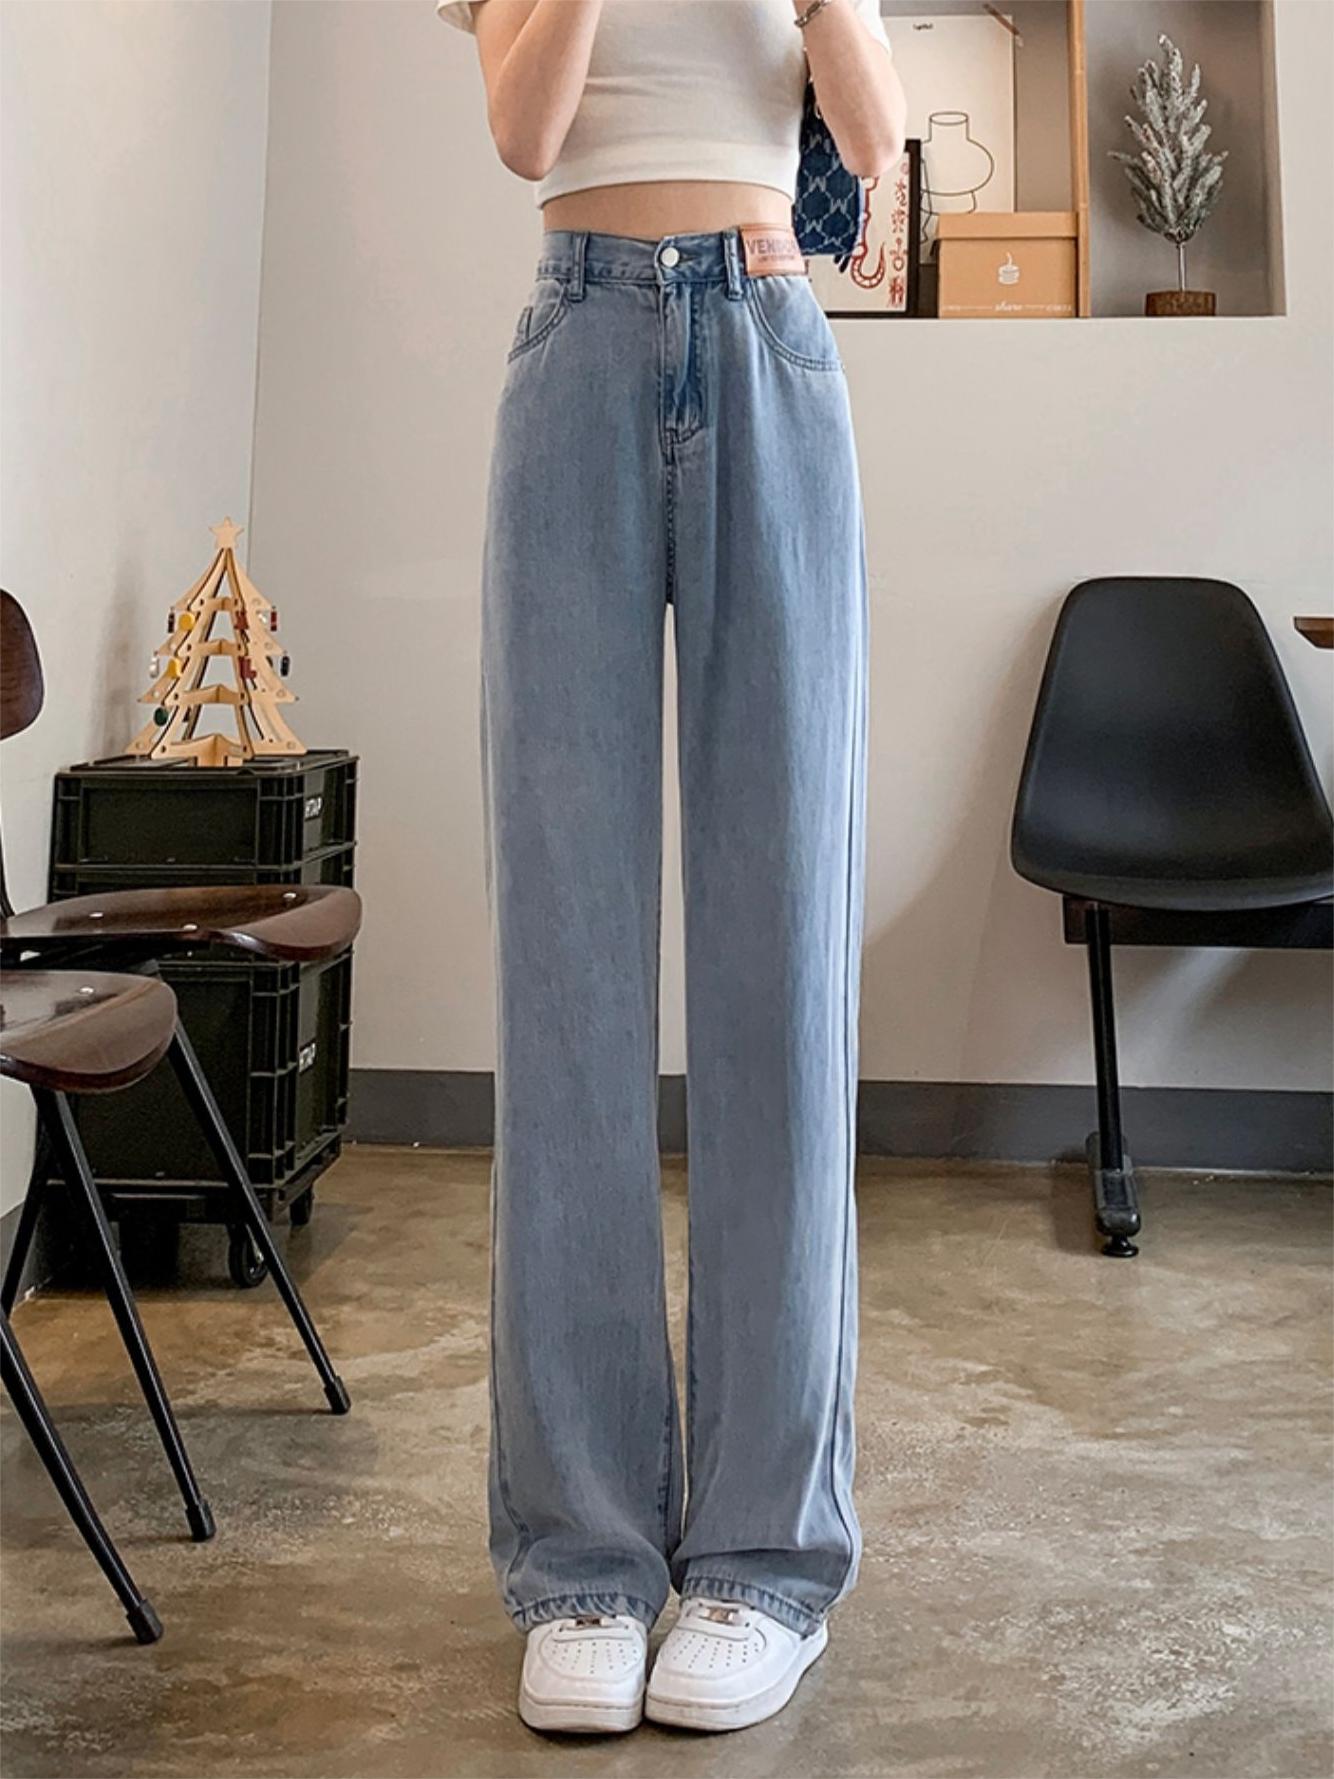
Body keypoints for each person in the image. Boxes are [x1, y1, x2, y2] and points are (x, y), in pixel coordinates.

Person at [437, 0, 906, 1736]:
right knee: (566, 964)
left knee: (780, 963)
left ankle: (763, 1561)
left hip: (770, 336)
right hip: (575, 342)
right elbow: (524, 134)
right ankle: (581, 1559)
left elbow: (870, 138)